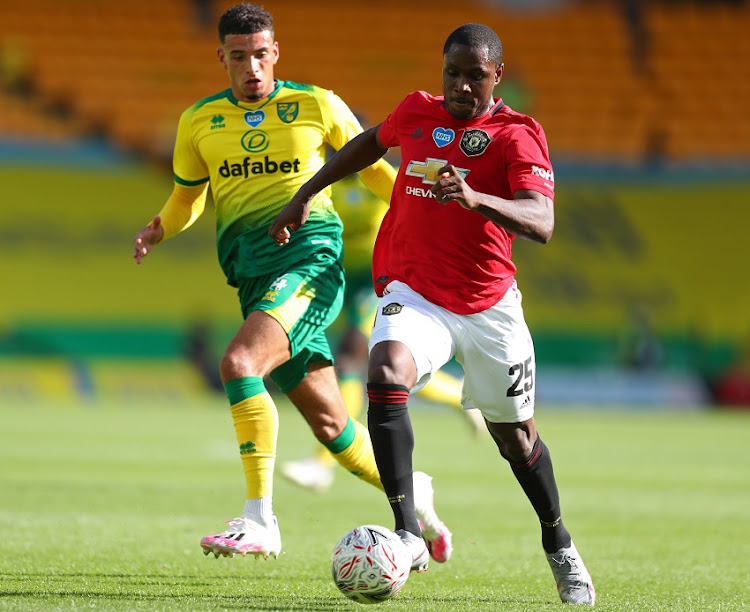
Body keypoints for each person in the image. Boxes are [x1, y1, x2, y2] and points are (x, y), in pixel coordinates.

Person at [270, 23, 596, 604]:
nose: (462, 86)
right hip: (414, 291)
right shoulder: (417, 112)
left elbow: (542, 222)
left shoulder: (517, 135)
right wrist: (304, 193)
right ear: (441, 70)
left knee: (516, 440)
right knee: (384, 375)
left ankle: (559, 542)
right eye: (454, 73)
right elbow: (370, 142)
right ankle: (406, 530)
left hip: (489, 305)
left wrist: (476, 199)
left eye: (476, 75)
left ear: (497, 76)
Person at [131, 3, 451, 569]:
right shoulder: (199, 121)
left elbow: (376, 170)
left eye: (260, 54)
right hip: (253, 277)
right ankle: (413, 494)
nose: (251, 66)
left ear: (275, 52)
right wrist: (160, 227)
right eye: (239, 56)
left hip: (311, 263)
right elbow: (187, 196)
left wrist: (424, 211)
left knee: (239, 363)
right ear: (222, 58)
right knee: (333, 429)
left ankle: (259, 521)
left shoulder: (317, 104)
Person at [281, 170, 487, 493]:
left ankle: (322, 463)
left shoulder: (376, 179)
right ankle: (456, 393)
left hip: (378, 277)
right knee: (377, 368)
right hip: (338, 273)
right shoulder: (325, 183)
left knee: (349, 357)